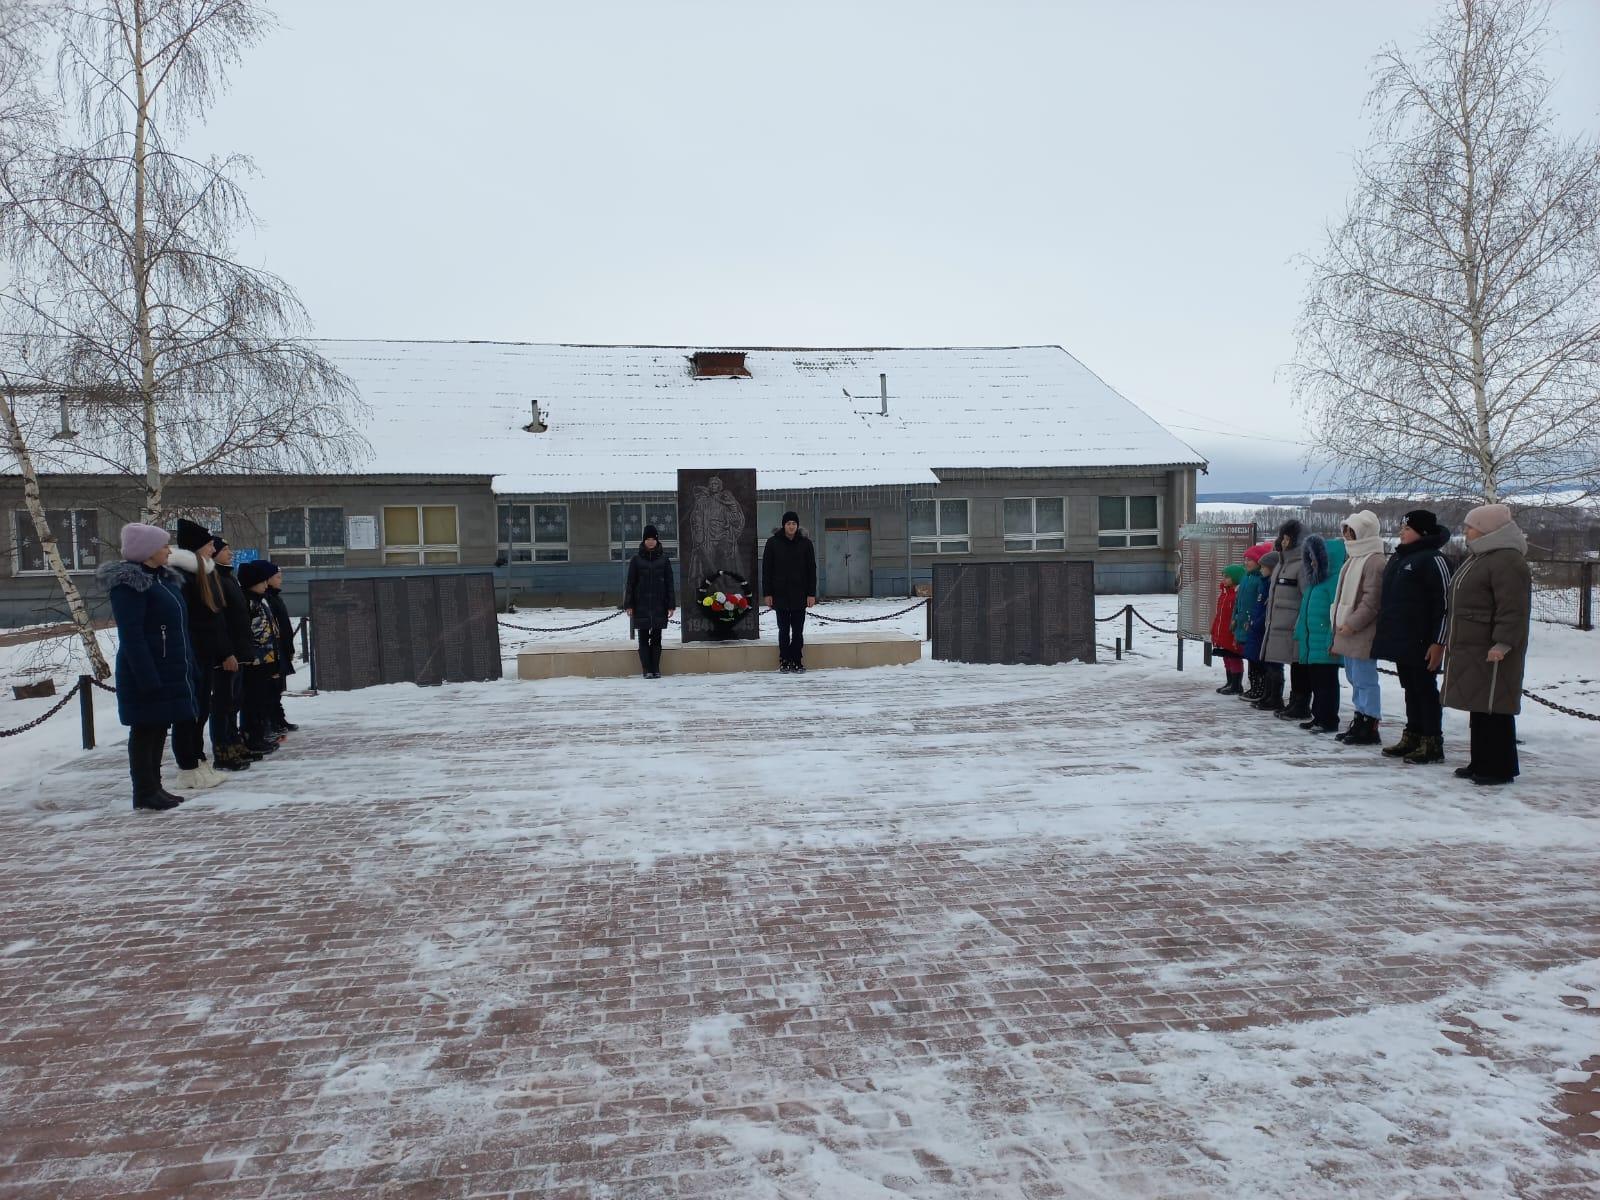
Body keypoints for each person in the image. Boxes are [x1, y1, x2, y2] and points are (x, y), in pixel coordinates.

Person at [96, 523, 200, 812]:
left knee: (158, 727)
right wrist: (147, 675)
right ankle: (144, 791)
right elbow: (132, 635)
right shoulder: (130, 584)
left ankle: (155, 786)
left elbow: (177, 627)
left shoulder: (162, 580)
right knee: (145, 730)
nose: (169, 550)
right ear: (147, 551)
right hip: (147, 670)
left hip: (169, 667)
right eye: (164, 545)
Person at [1442, 504, 1532, 786]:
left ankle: (1498, 767)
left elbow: (1513, 608)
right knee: (1480, 705)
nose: (1467, 531)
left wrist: (1503, 642)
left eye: (1471, 526)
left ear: (1488, 529)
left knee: (1494, 706)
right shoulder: (1481, 556)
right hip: (1473, 644)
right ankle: (1481, 760)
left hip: (1491, 646)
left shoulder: (1507, 560)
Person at [1371, 508, 1452, 764]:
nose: (1401, 533)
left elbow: (1445, 606)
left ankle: (1431, 741)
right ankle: (1413, 734)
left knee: (1425, 690)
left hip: (1423, 640)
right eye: (1402, 529)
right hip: (1402, 638)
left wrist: (1439, 642)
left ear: (1422, 532)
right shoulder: (1401, 558)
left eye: (1407, 529)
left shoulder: (1433, 559)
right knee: (1410, 688)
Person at [166, 518, 229, 790]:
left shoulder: (205, 572)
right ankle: (187, 765)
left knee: (201, 709)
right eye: (208, 543)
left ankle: (198, 758)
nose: (213, 547)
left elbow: (214, 618)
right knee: (189, 713)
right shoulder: (183, 576)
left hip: (204, 652)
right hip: (192, 652)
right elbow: (190, 619)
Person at [1330, 510, 1386, 746]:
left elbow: (1372, 600)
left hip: (1362, 630)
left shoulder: (1374, 560)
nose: (1347, 537)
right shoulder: (1353, 558)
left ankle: (1369, 722)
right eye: (1345, 532)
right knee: (1354, 676)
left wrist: (1352, 624)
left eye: (1351, 532)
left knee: (1365, 677)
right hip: (1347, 628)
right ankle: (1359, 718)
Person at [1293, 533, 1347, 733]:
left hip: (1324, 642)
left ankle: (1328, 719)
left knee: (1326, 684)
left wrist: (1332, 638)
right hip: (1312, 642)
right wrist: (1300, 632)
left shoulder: (1333, 582)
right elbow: (1306, 611)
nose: (1312, 562)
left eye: (1316, 558)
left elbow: (1336, 612)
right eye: (1310, 558)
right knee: (1316, 682)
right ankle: (1319, 716)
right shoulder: (1315, 583)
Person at [209, 537, 254, 769]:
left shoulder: (228, 577)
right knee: (223, 703)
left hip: (238, 650)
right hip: (226, 654)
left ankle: (233, 741)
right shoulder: (215, 578)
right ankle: (223, 749)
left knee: (234, 701)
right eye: (225, 550)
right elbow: (219, 620)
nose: (231, 553)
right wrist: (226, 652)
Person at [1260, 520, 1309, 718]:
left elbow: (1306, 595)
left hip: (1293, 623)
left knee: (1298, 666)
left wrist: (1299, 619)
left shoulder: (1301, 565)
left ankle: (1301, 703)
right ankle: (1285, 700)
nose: (1284, 541)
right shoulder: (1282, 563)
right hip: (1278, 623)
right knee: (1280, 662)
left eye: (1288, 538)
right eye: (1283, 537)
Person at [237, 559, 284, 753]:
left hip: (267, 658)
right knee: (252, 701)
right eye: (262, 581)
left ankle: (259, 733)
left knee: (261, 699)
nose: (266, 584)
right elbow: (249, 632)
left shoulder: (260, 601)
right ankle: (252, 736)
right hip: (255, 660)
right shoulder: (248, 602)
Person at [761, 511, 817, 673]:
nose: (791, 526)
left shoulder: (806, 544)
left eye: (794, 523)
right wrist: (768, 593)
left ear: (797, 526)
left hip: (800, 595)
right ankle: (784, 659)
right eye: (788, 523)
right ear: (783, 525)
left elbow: (811, 570)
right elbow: (767, 570)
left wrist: (811, 594)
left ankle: (797, 660)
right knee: (783, 630)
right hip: (780, 595)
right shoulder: (773, 543)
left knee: (798, 631)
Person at [623, 524, 676, 679]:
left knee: (657, 637)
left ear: (657, 540)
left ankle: (656, 668)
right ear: (644, 540)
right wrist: (629, 605)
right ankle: (647, 669)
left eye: (653, 539)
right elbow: (630, 584)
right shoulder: (636, 560)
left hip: (659, 604)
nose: (651, 542)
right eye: (648, 539)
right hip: (641, 605)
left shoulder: (664, 560)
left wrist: (671, 605)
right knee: (643, 637)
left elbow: (670, 584)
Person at [1234, 542, 1274, 701]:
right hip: (1246, 624)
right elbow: (1239, 601)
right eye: (1245, 559)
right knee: (1250, 655)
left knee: (1257, 658)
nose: (1246, 562)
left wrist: (1252, 619)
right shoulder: (1246, 577)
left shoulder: (1260, 580)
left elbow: (1260, 602)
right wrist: (1236, 617)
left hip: (1256, 623)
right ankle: (1254, 687)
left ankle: (1260, 688)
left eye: (1250, 559)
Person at [1249, 551, 1286, 709]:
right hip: (1262, 627)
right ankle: (1268, 695)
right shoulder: (1264, 583)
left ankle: (1274, 697)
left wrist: (1259, 622)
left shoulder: (1272, 584)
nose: (1261, 569)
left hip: (1271, 628)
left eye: (1263, 567)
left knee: (1273, 665)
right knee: (1266, 664)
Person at [265, 567, 299, 734]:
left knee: (278, 688)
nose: (281, 580)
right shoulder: (268, 599)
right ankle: (272, 720)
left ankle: (278, 718)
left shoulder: (275, 597)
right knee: (271, 688)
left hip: (282, 648)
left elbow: (284, 625)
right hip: (274, 649)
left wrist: (289, 647)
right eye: (277, 577)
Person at [1211, 565, 1246, 694]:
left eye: (1227, 577)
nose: (1224, 580)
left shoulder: (1237, 594)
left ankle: (1237, 684)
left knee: (1234, 657)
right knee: (1226, 656)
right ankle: (1230, 681)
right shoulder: (1224, 594)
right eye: (1223, 577)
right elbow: (1219, 614)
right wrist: (1214, 629)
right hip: (1223, 631)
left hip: (1231, 632)